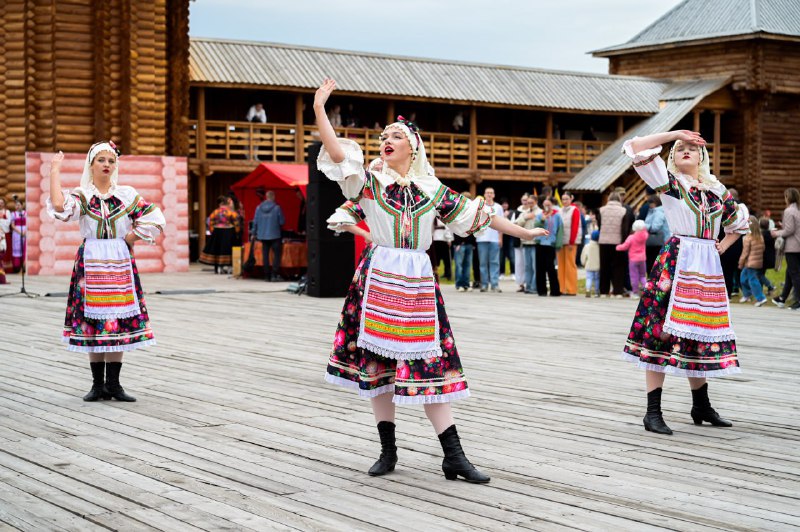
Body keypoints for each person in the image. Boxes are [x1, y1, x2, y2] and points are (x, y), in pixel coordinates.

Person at [313, 78, 547, 483]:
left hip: (417, 282)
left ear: (413, 147)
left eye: (397, 136)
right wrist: (319, 110)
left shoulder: (432, 189)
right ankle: (388, 450)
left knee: (430, 365)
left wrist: (524, 233)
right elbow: (337, 154)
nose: (387, 140)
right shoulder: (369, 182)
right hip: (379, 277)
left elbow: (481, 216)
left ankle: (453, 455)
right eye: (384, 135)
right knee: (379, 366)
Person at [621, 130, 749, 435]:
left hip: (706, 265)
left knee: (699, 333)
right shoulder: (670, 182)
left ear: (703, 156)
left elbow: (738, 225)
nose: (687, 150)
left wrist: (721, 246)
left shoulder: (716, 189)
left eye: (693, 147)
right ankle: (653, 412)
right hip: (677, 261)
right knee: (660, 333)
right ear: (673, 155)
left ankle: (701, 405)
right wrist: (675, 132)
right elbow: (635, 147)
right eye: (681, 148)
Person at [47, 142, 166, 402]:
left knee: (117, 322)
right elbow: (58, 205)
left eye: (110, 161)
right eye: (101, 160)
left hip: (119, 260)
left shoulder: (126, 194)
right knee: (94, 321)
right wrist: (54, 170)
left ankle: (114, 384)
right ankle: (97, 385)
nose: (106, 165)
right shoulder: (82, 195)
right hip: (92, 260)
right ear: (91, 164)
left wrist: (130, 238)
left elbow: (153, 216)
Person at [771, 187, 800, 310]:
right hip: (798, 245)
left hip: (793, 247)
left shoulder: (788, 211)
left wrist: (776, 233)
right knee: (790, 273)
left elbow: (790, 230)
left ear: (787, 198)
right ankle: (782, 298)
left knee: (795, 274)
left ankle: (798, 300)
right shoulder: (797, 210)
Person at [199, 195, 242, 274]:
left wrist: (213, 232)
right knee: (229, 250)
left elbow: (210, 222)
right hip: (229, 232)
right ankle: (229, 267)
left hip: (217, 232)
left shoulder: (215, 212)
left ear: (220, 204)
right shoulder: (231, 212)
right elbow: (237, 222)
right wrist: (236, 232)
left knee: (218, 250)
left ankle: (219, 267)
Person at [597, 191, 628, 296]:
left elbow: (599, 225)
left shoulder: (601, 210)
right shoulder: (623, 211)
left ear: (608, 199)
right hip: (618, 242)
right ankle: (617, 291)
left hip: (603, 241)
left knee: (604, 267)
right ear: (619, 199)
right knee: (618, 267)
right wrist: (623, 242)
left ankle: (603, 291)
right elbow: (624, 229)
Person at [252, 190, 286, 282]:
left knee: (265, 255)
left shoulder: (258, 208)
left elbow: (255, 222)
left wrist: (253, 233)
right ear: (273, 197)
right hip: (275, 235)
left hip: (263, 235)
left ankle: (266, 275)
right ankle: (274, 274)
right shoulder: (277, 208)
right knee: (277, 255)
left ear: (266, 197)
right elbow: (282, 222)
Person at [475, 187, 504, 292]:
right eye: (487, 193)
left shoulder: (498, 207)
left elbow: (502, 224)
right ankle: (484, 284)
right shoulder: (480, 206)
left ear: (494, 195)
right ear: (484, 194)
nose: (489, 195)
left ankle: (495, 284)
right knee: (483, 263)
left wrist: (500, 238)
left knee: (495, 262)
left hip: (494, 239)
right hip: (482, 238)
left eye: (491, 193)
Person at [534, 196, 563, 296]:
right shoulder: (539, 215)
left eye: (549, 205)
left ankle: (555, 291)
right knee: (540, 267)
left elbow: (560, 230)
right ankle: (541, 291)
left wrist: (558, 244)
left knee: (550, 267)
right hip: (540, 243)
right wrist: (542, 220)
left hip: (551, 244)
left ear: (552, 205)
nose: (547, 206)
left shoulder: (557, 216)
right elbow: (536, 227)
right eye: (545, 205)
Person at [738, 215, 768, 306]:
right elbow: (763, 249)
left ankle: (761, 298)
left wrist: (740, 263)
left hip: (750, 263)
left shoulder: (748, 238)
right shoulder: (760, 236)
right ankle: (747, 295)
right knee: (743, 278)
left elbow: (745, 252)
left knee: (752, 280)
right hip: (757, 262)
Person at [515, 193, 541, 294]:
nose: (530, 204)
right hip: (525, 242)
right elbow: (516, 224)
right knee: (527, 266)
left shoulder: (540, 212)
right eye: (528, 202)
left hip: (535, 243)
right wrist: (525, 218)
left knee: (535, 266)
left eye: (532, 202)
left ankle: (534, 287)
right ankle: (528, 286)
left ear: (536, 202)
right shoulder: (524, 213)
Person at [557, 192, 582, 295]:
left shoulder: (574, 210)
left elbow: (575, 226)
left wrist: (572, 241)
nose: (564, 201)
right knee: (561, 265)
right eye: (563, 199)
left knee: (570, 264)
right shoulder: (559, 210)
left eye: (566, 199)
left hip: (571, 241)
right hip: (560, 241)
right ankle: (561, 288)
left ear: (571, 199)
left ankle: (571, 289)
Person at [616, 219, 648, 297]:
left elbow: (625, 246)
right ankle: (646, 291)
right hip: (642, 259)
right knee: (642, 276)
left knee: (634, 276)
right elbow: (644, 230)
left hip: (633, 260)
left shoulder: (631, 237)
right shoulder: (645, 236)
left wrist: (617, 247)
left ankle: (635, 292)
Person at [452, 192, 475, 292]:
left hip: (470, 243)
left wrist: (474, 244)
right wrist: (457, 243)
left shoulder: (472, 212)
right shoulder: (457, 211)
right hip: (459, 244)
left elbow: (474, 228)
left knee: (467, 265)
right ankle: (459, 284)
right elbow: (454, 227)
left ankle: (466, 284)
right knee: (459, 265)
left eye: (468, 198)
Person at [644, 195, 670, 273]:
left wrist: (644, 225)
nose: (649, 205)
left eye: (650, 203)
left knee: (653, 262)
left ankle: (652, 281)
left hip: (657, 241)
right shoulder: (656, 211)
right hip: (659, 241)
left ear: (655, 203)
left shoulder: (658, 212)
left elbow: (655, 227)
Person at [758, 217, 776, 294]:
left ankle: (770, 285)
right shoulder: (771, 235)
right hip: (770, 258)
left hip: (763, 258)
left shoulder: (761, 236)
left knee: (759, 274)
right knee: (762, 273)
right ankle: (765, 290)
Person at [581, 230, 601, 297]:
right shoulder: (599, 247)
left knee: (589, 278)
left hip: (589, 265)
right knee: (597, 279)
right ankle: (596, 291)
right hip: (597, 266)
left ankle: (588, 290)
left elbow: (583, 255)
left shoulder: (587, 246)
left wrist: (583, 262)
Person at [10, 197, 26, 273]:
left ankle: (24, 266)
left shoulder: (25, 213)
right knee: (17, 248)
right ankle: (17, 267)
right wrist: (20, 232)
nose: (17, 206)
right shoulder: (13, 214)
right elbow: (12, 225)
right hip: (16, 233)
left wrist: (25, 232)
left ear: (22, 205)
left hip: (25, 232)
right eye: (16, 205)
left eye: (19, 205)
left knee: (24, 248)